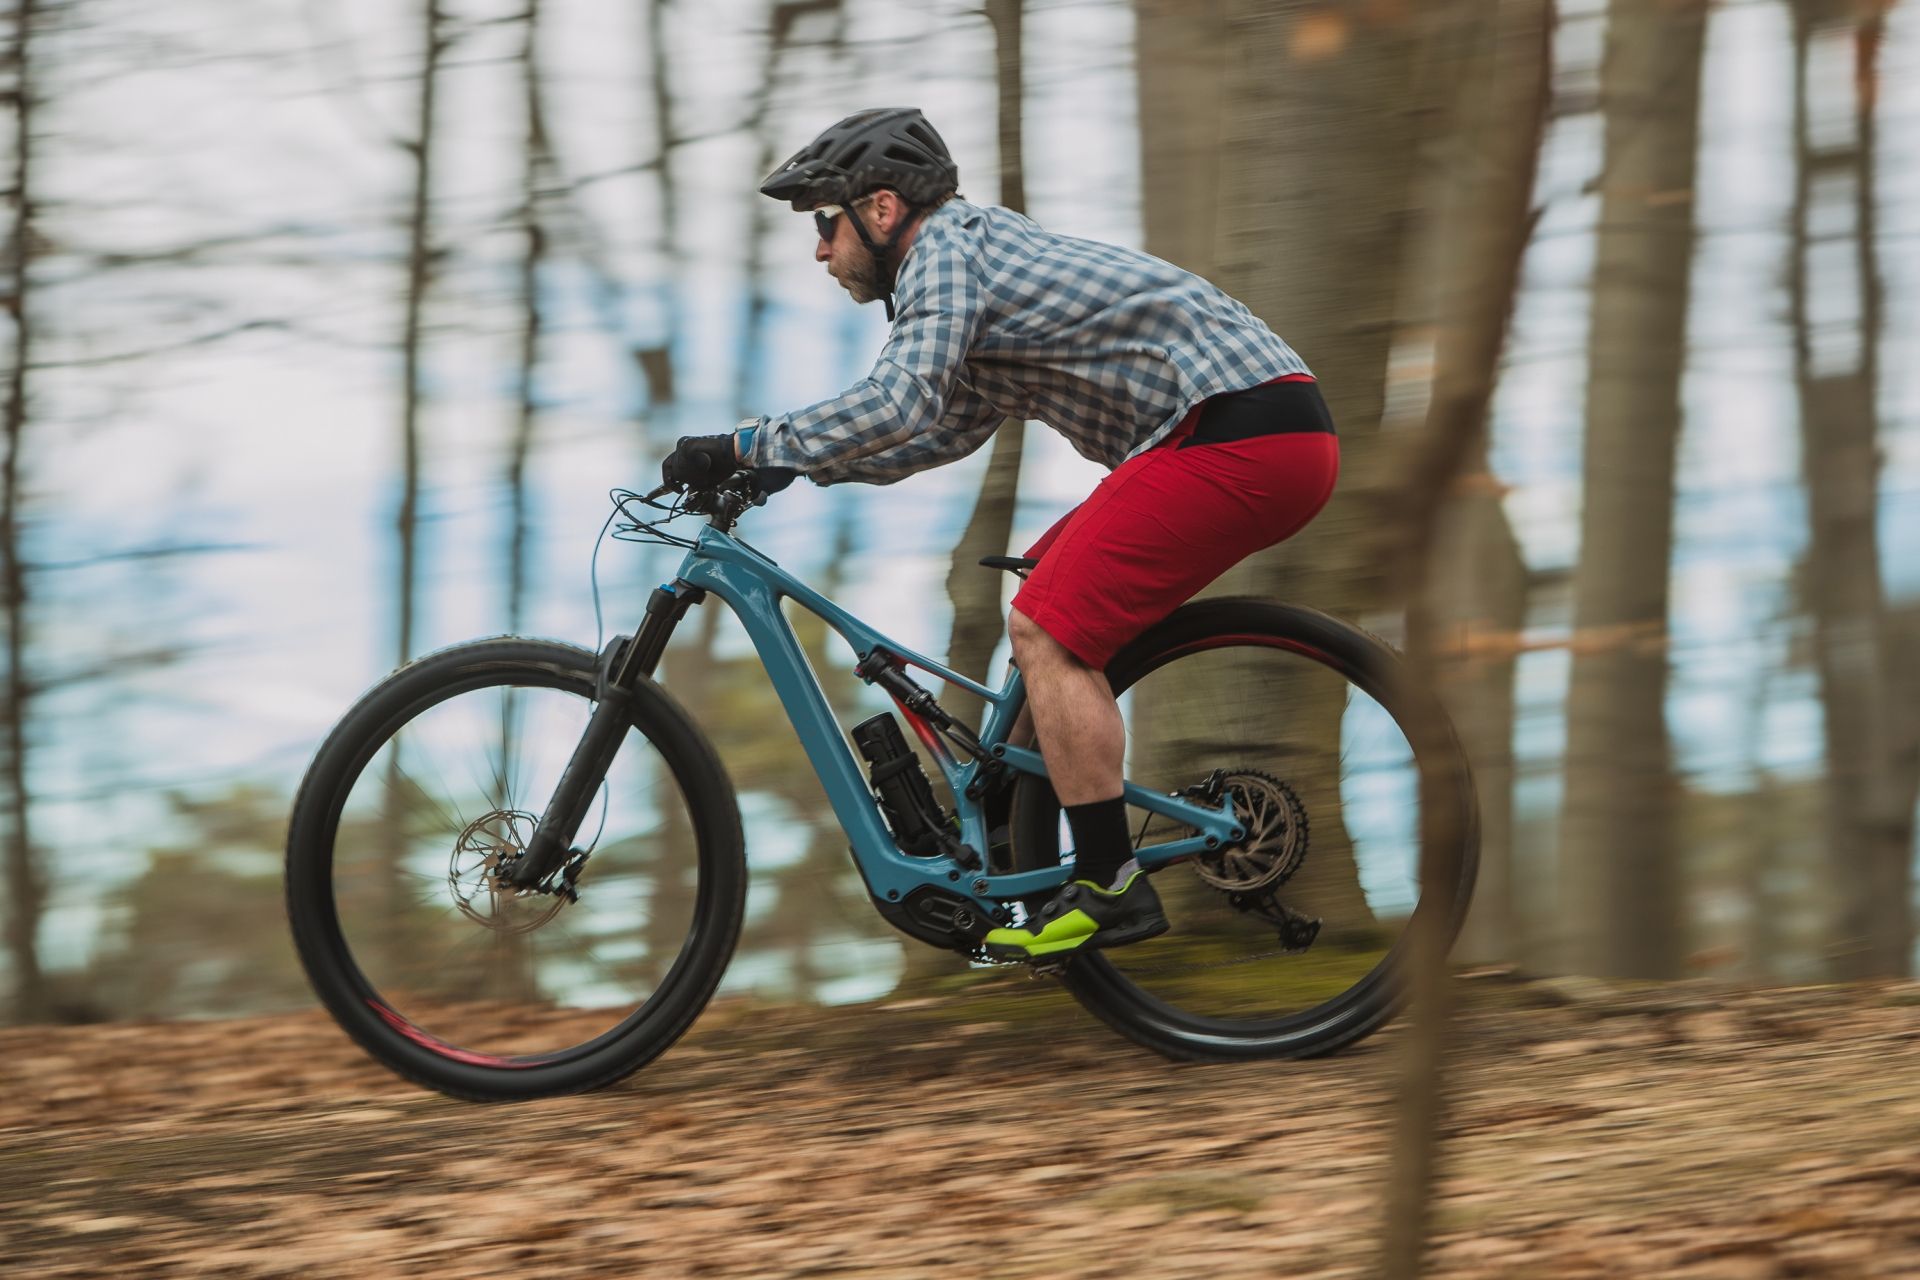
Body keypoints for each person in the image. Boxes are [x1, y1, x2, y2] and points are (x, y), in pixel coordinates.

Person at [661, 107, 1338, 961]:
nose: (820, 251)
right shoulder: (970, 266)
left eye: (825, 225)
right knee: (1044, 609)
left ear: (879, 210)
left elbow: (899, 399)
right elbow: (941, 429)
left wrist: (746, 442)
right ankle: (1026, 873)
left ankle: (1108, 884)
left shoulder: (945, 252)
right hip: (1238, 434)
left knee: (1046, 624)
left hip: (1238, 432)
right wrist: (797, 467)